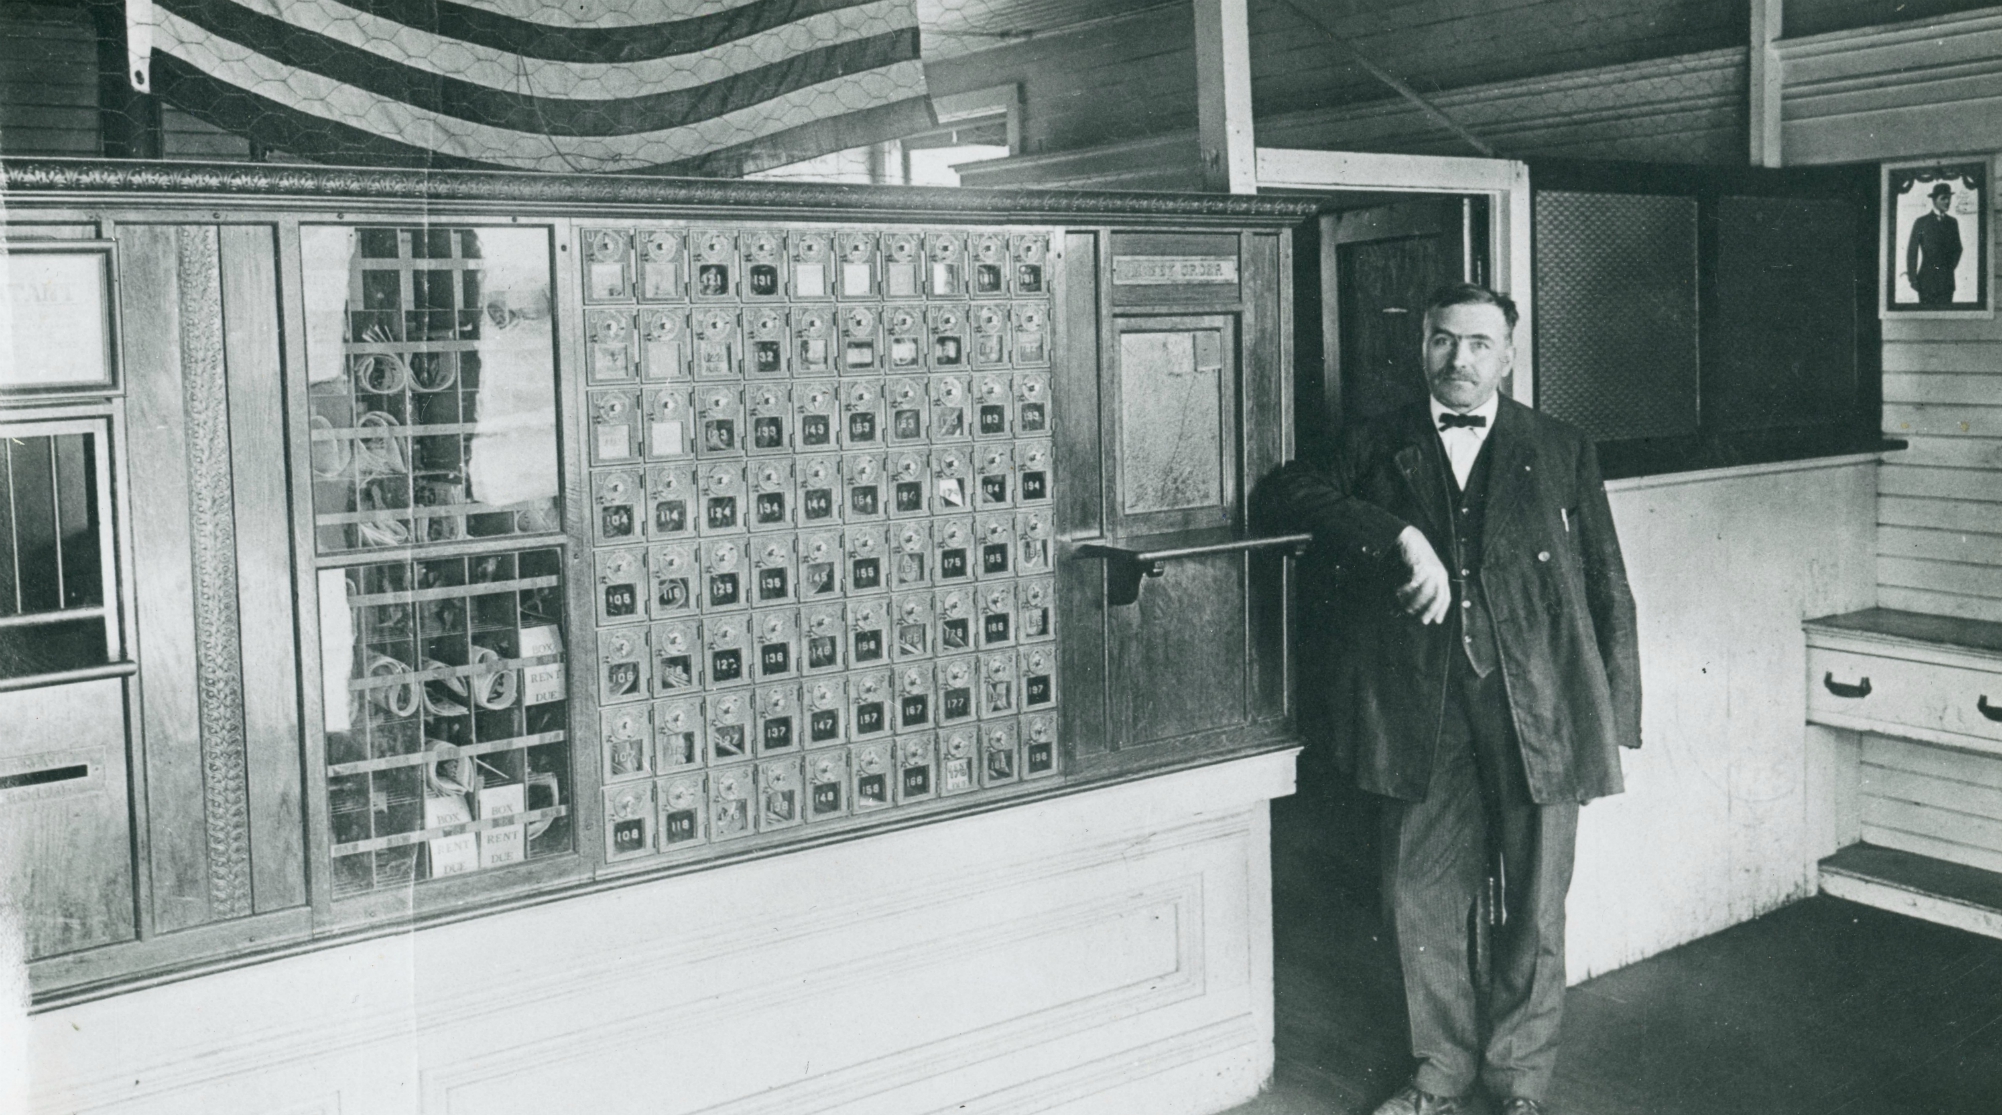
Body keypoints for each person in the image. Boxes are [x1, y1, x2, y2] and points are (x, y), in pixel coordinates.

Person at [1267, 283, 1641, 1115]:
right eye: (1443, 341)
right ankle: (1439, 1073)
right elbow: (1285, 492)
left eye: (1478, 343)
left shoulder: (1562, 445)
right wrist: (1399, 535)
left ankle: (1517, 1083)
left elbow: (1604, 581)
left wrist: (1614, 710)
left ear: (1508, 354)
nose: (1459, 359)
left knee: (1538, 901)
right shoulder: (1374, 444)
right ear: (1422, 348)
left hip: (1538, 705)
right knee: (1416, 895)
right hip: (1419, 709)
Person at [1906, 181, 1963, 305]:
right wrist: (1913, 279)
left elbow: (1958, 249)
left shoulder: (1952, 222)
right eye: (1943, 198)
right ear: (1934, 200)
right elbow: (1912, 251)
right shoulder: (1921, 222)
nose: (1947, 202)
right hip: (1926, 281)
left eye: (1949, 198)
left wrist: (1947, 268)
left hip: (1947, 282)